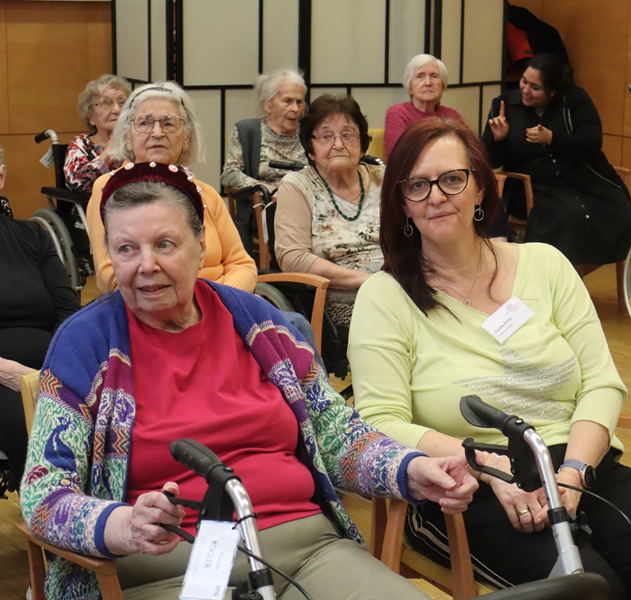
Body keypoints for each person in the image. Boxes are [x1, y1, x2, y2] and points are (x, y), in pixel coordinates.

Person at [20, 162, 478, 600]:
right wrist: (121, 524)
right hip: (164, 570)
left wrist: (408, 468)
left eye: (165, 244)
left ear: (201, 244)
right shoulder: (86, 344)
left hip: (306, 550)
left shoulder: (257, 322)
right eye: (126, 249)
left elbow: (337, 434)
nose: (146, 264)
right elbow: (43, 495)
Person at [348, 117, 631, 600]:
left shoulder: (545, 265)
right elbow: (380, 420)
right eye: (418, 185)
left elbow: (601, 382)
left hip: (579, 463)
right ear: (403, 203)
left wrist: (573, 473)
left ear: (479, 187)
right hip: (464, 486)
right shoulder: (385, 296)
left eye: (452, 179)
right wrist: (487, 466)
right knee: (593, 593)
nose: (436, 196)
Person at [87, 81, 256, 296]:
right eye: (144, 123)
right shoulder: (109, 189)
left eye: (168, 124)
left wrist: (218, 302)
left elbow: (242, 265)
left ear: (186, 138)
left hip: (222, 302)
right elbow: (108, 276)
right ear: (128, 137)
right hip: (152, 304)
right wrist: (189, 303)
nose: (157, 133)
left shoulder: (205, 193)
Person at [483, 53, 631, 266]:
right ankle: (558, 275)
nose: (525, 90)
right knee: (568, 216)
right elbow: (489, 161)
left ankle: (580, 273)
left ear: (553, 91)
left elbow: (592, 142)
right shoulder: (504, 105)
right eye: (524, 81)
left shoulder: (574, 99)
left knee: (620, 212)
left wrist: (552, 138)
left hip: (581, 175)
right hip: (534, 185)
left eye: (535, 87)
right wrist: (498, 138)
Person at [0, 146, 81, 496]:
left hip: (49, 368)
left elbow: (69, 313)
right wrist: (9, 372)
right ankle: (50, 520)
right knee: (34, 425)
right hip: (3, 376)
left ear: (1, 177)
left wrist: (55, 372)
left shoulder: (33, 235)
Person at [275, 94, 382, 329]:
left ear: (362, 145)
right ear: (310, 150)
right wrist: (370, 282)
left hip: (399, 293)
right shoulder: (297, 186)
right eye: (326, 136)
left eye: (347, 134)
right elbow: (294, 259)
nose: (338, 144)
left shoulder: (383, 178)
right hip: (341, 308)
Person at [221, 68, 309, 254]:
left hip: (307, 205)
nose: (295, 109)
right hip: (266, 209)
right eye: (288, 101)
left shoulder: (309, 133)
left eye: (299, 102)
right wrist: (264, 188)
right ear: (268, 104)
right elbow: (229, 174)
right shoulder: (248, 131)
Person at [384, 54, 463, 159]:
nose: (428, 83)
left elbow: (467, 152)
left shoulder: (451, 115)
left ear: (443, 85)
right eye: (420, 76)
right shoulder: (398, 114)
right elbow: (399, 156)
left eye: (434, 76)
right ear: (410, 87)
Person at [64, 75, 131, 196]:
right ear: (91, 116)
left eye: (122, 102)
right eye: (106, 103)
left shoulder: (136, 140)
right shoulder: (81, 144)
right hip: (96, 205)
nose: (116, 110)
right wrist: (109, 150)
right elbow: (76, 184)